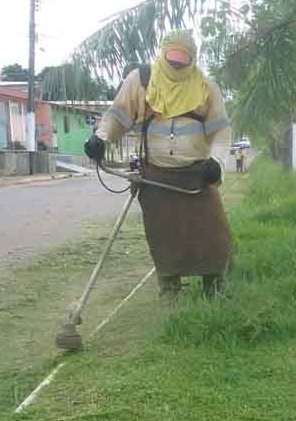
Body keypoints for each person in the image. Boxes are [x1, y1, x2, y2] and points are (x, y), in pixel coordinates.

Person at [85, 30, 232, 301]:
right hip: (156, 176)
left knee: (213, 234)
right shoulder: (140, 81)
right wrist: (100, 138)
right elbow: (117, 115)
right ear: (162, 53)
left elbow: (221, 131)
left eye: (183, 60)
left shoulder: (206, 87)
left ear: (193, 59)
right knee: (163, 235)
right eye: (171, 58)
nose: (176, 65)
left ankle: (214, 286)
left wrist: (217, 163)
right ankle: (169, 288)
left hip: (197, 175)